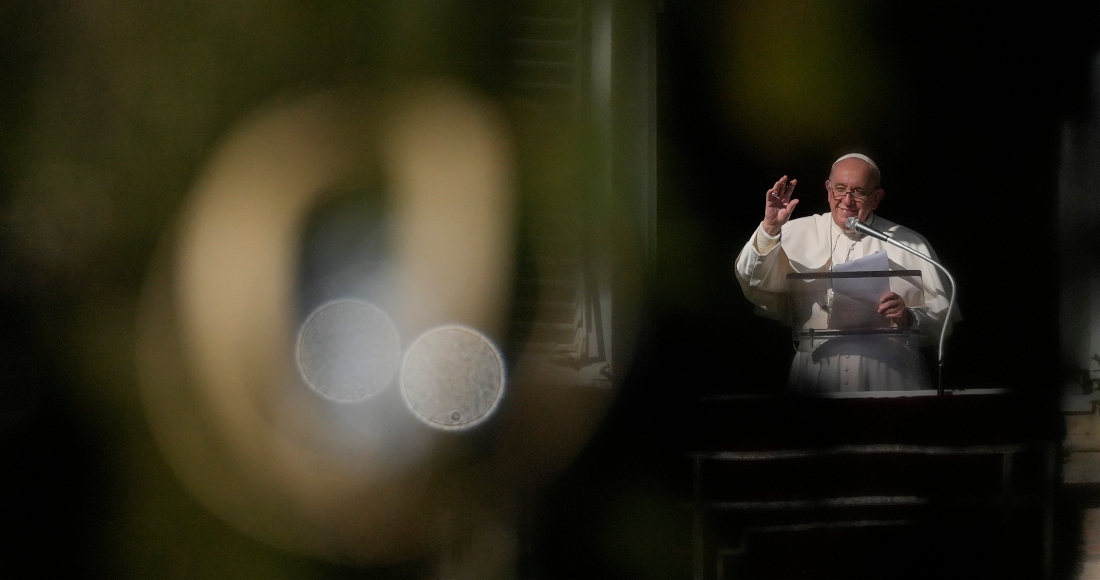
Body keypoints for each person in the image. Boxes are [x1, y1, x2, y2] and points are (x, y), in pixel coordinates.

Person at [734, 153, 958, 392]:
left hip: (890, 372)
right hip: (819, 372)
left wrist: (908, 317)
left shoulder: (909, 243)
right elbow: (753, 277)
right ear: (828, 188)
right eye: (839, 189)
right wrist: (769, 227)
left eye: (859, 192)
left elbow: (943, 318)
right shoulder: (796, 230)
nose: (847, 201)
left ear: (876, 197)